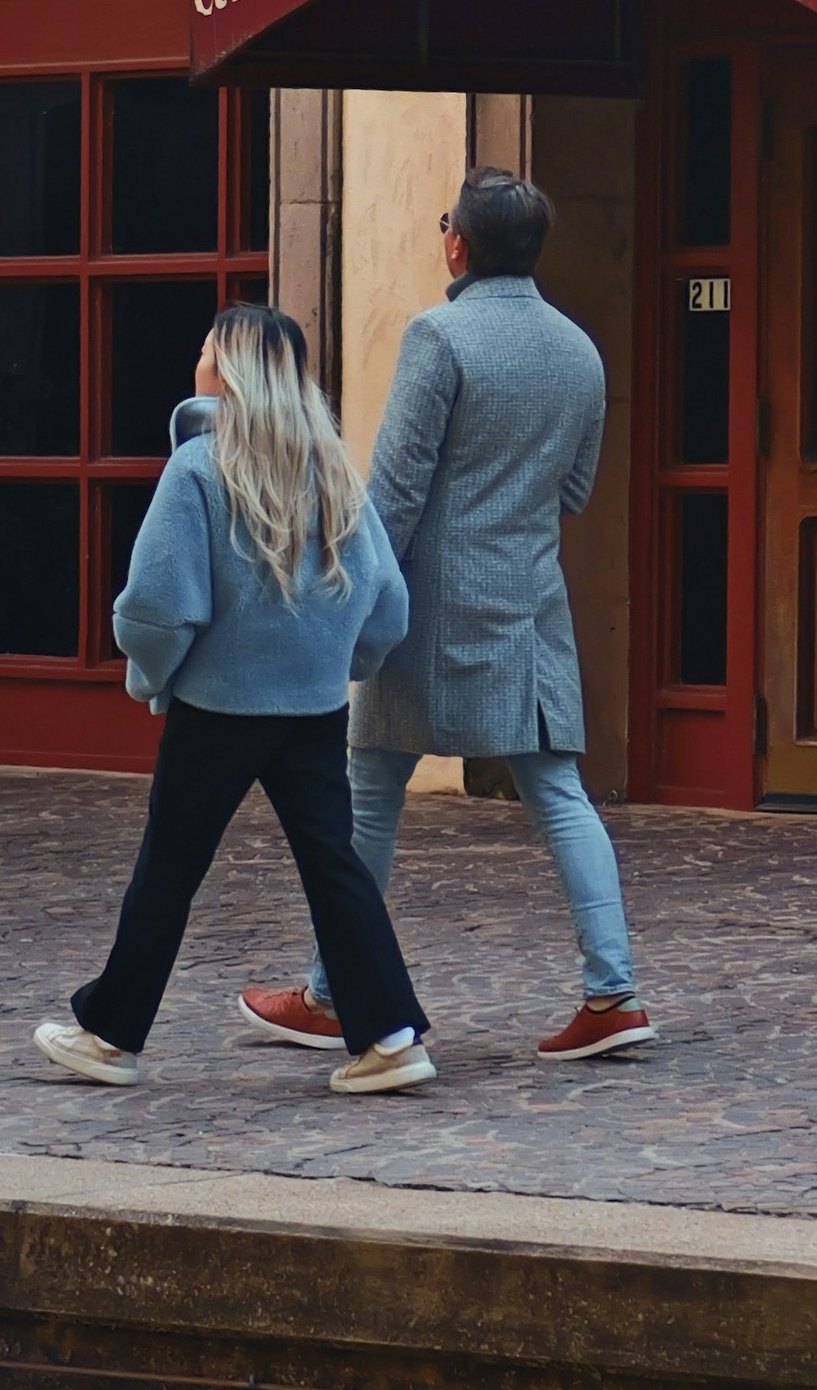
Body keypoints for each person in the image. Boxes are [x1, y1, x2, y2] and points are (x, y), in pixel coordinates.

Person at [241, 163, 654, 1066]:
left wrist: (347, 601)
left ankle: (325, 990)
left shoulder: (439, 335)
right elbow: (575, 489)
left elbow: (391, 494)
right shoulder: (580, 349)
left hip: (426, 602)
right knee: (558, 792)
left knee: (371, 793)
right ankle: (613, 990)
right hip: (531, 599)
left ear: (458, 243)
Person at [35, 305, 437, 1096]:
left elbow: (154, 607)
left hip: (218, 709)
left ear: (227, 372)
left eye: (204, 350)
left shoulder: (197, 467)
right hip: (315, 710)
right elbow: (386, 603)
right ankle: (390, 1037)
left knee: (169, 869)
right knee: (334, 866)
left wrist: (152, 676)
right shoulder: (333, 468)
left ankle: (109, 1036)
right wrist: (339, 660)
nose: (196, 362)